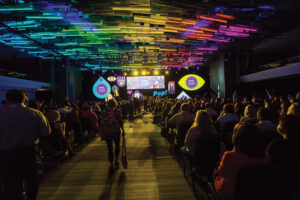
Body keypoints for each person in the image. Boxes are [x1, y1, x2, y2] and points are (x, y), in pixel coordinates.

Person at [0, 89, 51, 200]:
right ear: (25, 99)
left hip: (7, 155)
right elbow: (46, 132)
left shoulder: (2, 114)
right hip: (29, 153)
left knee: (12, 186)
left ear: (7, 99)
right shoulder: (35, 113)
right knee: (31, 183)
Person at [215, 122, 269, 200]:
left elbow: (221, 172)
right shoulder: (266, 157)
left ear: (236, 138)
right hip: (255, 192)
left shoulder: (230, 156)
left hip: (231, 193)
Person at [100, 99, 125, 170]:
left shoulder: (104, 112)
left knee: (109, 148)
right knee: (117, 146)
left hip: (107, 132)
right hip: (115, 131)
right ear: (115, 104)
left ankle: (111, 164)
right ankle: (116, 160)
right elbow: (120, 121)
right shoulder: (117, 112)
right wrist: (123, 130)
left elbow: (101, 122)